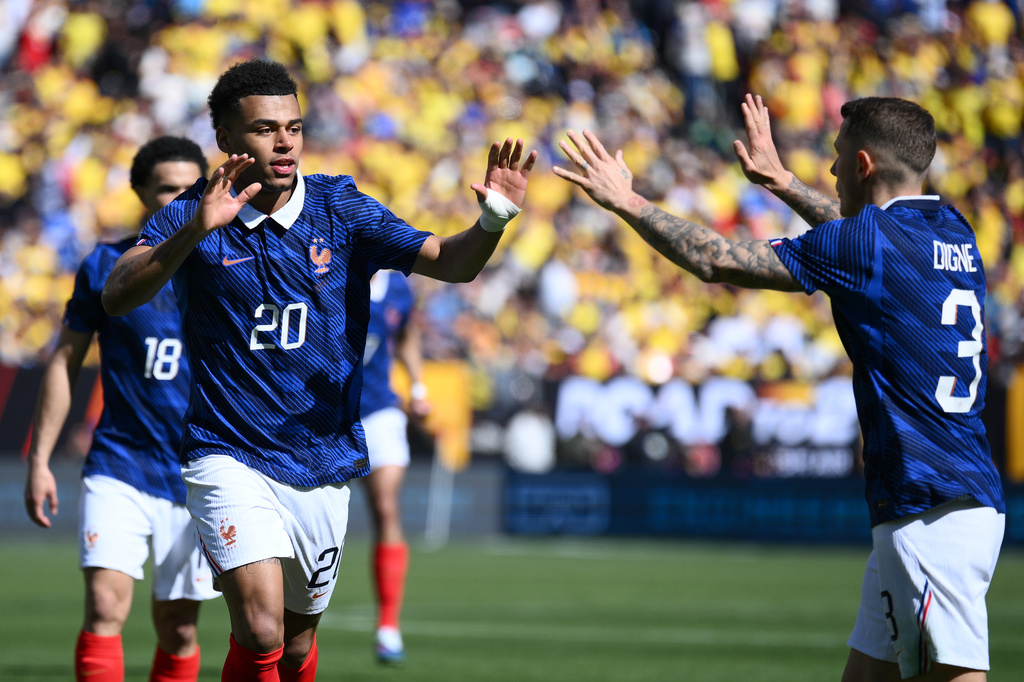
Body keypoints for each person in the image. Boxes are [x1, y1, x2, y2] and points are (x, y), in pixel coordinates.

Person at [100, 58, 536, 681]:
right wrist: (195, 230)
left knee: (297, 649)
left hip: (321, 457)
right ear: (225, 139)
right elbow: (116, 294)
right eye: (264, 129)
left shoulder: (342, 207)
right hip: (226, 450)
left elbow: (451, 261)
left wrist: (492, 220)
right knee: (260, 628)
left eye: (295, 127)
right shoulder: (194, 211)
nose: (284, 142)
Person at [553, 94, 1005, 682]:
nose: (833, 169)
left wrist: (628, 202)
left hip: (928, 506)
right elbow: (857, 238)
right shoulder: (955, 232)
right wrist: (783, 183)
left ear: (864, 165)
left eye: (840, 158)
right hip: (955, 497)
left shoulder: (866, 245)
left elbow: (716, 261)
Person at [24, 136, 216, 682]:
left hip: (200, 471)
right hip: (120, 466)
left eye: (190, 188)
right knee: (106, 609)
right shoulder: (108, 266)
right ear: (140, 193)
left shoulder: (233, 265)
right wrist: (39, 461)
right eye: (166, 189)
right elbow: (64, 361)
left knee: (179, 627)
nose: (179, 199)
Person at [360, 269, 429, 665]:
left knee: (385, 507)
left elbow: (406, 333)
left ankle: (388, 625)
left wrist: (417, 387)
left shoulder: (399, 286)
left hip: (379, 408)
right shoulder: (327, 265)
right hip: (322, 412)